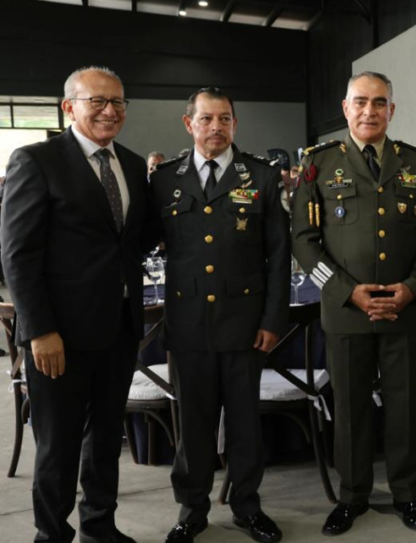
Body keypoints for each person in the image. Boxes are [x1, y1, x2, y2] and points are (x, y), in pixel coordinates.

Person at [0, 66, 155, 543]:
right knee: (58, 446)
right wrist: (39, 330)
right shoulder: (37, 160)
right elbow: (18, 255)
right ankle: (51, 535)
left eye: (118, 101)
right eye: (97, 101)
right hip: (59, 336)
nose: (110, 111)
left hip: (119, 328)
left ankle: (99, 527)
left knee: (106, 438)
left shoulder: (132, 165)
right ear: (69, 106)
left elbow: (134, 240)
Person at [291, 71, 416, 535]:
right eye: (360, 101)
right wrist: (346, 292)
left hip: (403, 309)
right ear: (345, 108)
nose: (369, 111)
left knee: (403, 408)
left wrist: (413, 288)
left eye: (379, 103)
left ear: (391, 110)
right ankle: (352, 496)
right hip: (346, 312)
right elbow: (304, 242)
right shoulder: (319, 163)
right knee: (350, 410)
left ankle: (407, 494)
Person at [149, 87, 289, 543]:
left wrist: (272, 320)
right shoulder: (164, 180)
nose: (216, 127)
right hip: (188, 324)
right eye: (206, 119)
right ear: (188, 123)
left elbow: (279, 255)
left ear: (235, 124)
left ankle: (248, 507)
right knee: (193, 425)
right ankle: (192, 510)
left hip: (245, 325)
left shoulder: (262, 176)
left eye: (224, 119)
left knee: (245, 424)